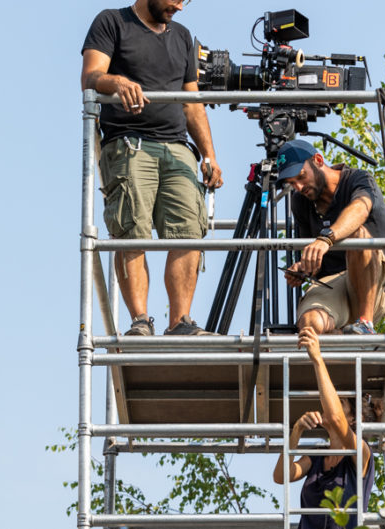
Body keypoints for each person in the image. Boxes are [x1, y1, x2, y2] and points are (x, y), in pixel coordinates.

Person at [80, 0, 222, 336]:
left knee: (189, 228)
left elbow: (192, 103)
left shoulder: (183, 36)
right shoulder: (112, 21)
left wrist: (209, 156)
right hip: (130, 144)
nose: (180, 6)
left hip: (178, 148)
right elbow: (90, 76)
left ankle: (180, 322)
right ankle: (140, 321)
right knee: (132, 230)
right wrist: (116, 83)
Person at [277, 139, 385, 335]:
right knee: (310, 325)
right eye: (291, 183)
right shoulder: (300, 202)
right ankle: (342, 336)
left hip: (374, 284)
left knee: (358, 235)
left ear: (318, 160)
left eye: (301, 176)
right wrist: (303, 268)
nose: (298, 187)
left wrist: (326, 239)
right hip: (332, 285)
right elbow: (313, 260)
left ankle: (365, 324)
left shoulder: (358, 179)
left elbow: (360, 210)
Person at [273, 327, 377, 529]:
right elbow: (280, 476)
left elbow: (336, 419)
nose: (328, 405)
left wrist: (318, 359)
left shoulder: (361, 453)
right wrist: (296, 432)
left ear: (354, 418)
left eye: (340, 403)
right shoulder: (317, 457)